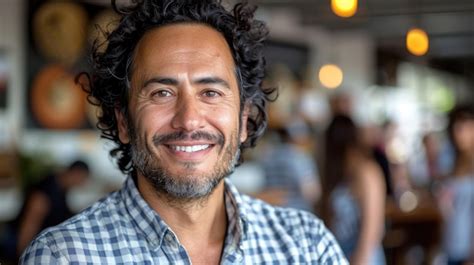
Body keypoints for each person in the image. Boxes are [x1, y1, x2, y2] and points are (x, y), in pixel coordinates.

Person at [21, 0, 348, 264]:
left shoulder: (307, 246)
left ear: (245, 118)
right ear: (123, 122)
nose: (189, 120)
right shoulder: (64, 256)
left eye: (211, 93)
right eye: (162, 93)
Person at [321, 115, 386, 265]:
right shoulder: (340, 175)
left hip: (363, 253)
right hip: (340, 251)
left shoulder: (367, 172)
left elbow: (373, 225)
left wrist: (361, 258)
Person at [13, 160, 89, 257]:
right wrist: (23, 256)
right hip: (29, 246)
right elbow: (29, 225)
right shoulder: (46, 189)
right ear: (76, 173)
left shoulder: (61, 188)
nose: (82, 184)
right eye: (82, 179)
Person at [436, 105, 474, 265]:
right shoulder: (451, 162)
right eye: (456, 126)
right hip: (450, 246)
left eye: (465, 126)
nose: (459, 132)